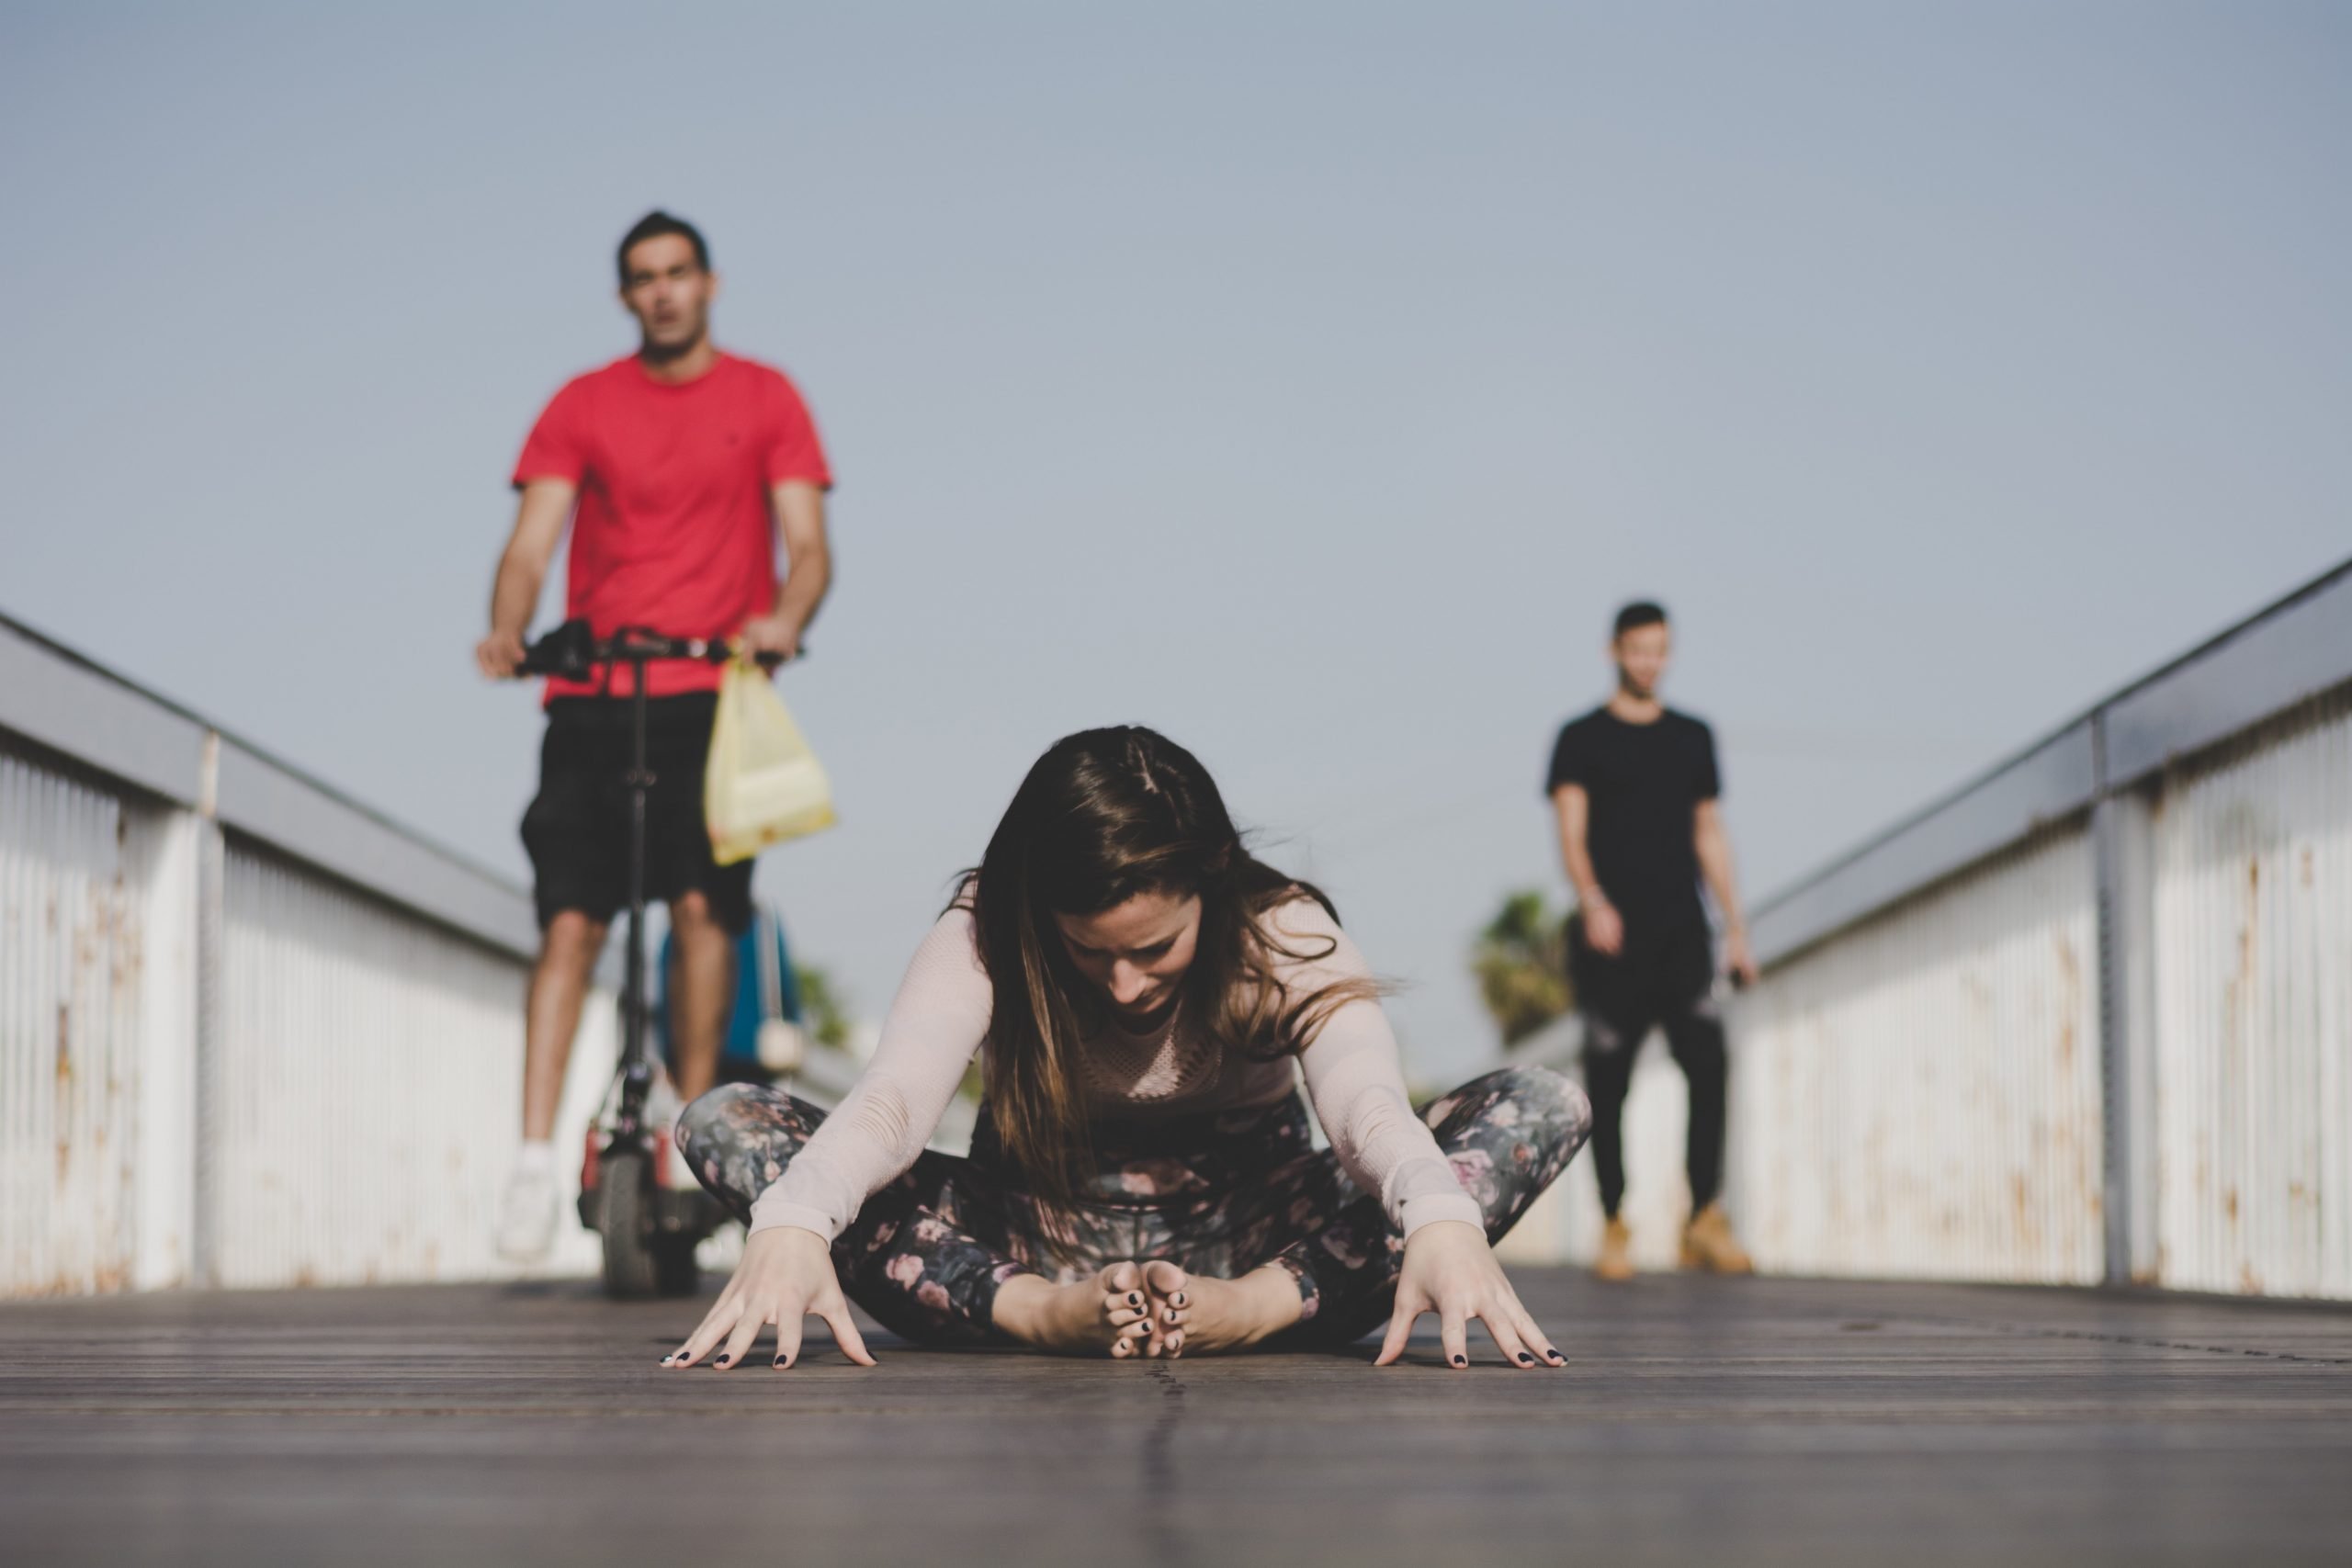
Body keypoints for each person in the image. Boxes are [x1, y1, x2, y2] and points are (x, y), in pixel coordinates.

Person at [663, 727, 1593, 1370]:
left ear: (1213, 881)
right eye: (1088, 951)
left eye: (1153, 949)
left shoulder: (1282, 932)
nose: (1122, 985)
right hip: (1026, 1236)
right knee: (727, 1119)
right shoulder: (989, 933)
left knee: (1541, 1103)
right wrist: (792, 1223)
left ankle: (1254, 1312)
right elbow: (891, 1105)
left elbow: (1365, 1109)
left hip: (1260, 1236)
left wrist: (1438, 1216)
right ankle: (1040, 1317)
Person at [479, 211, 834, 1261]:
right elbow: (529, 542)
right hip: (595, 684)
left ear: (710, 283)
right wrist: (509, 626)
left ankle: (695, 1146)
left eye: (679, 273)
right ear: (625, 295)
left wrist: (784, 620)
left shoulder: (766, 397)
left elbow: (808, 546)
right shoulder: (582, 404)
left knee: (700, 909)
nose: (665, 291)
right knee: (572, 924)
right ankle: (532, 1168)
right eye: (644, 278)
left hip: (713, 687)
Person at [1546, 600, 1755, 1281]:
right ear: (1615, 649)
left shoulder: (1693, 735)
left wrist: (1736, 928)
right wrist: (1592, 900)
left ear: (1669, 652)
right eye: (1637, 649)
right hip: (1612, 938)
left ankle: (1704, 1217)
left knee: (1710, 1066)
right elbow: (1571, 832)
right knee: (1609, 1080)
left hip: (1683, 934)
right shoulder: (1581, 736)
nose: (1648, 661)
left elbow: (1709, 832)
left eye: (1659, 649)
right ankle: (1614, 1221)